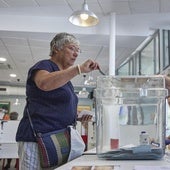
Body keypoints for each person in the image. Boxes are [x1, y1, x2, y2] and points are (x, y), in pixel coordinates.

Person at [16, 32, 99, 170]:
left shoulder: (66, 81)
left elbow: (56, 106)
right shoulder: (44, 65)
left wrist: (77, 116)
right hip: (37, 140)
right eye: (72, 48)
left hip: (58, 140)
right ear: (56, 48)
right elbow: (44, 83)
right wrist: (78, 69)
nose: (76, 53)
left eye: (78, 50)